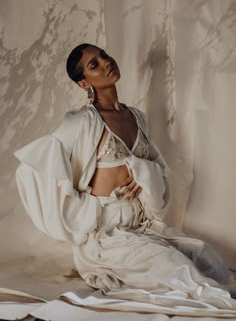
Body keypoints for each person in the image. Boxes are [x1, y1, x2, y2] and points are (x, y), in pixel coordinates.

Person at [14, 43, 236, 312]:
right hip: (109, 237)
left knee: (204, 255)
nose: (106, 62)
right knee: (178, 269)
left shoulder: (137, 117)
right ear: (84, 83)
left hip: (142, 225)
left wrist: (145, 173)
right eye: (94, 64)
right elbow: (35, 168)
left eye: (104, 55)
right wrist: (90, 208)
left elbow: (159, 168)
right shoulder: (82, 121)